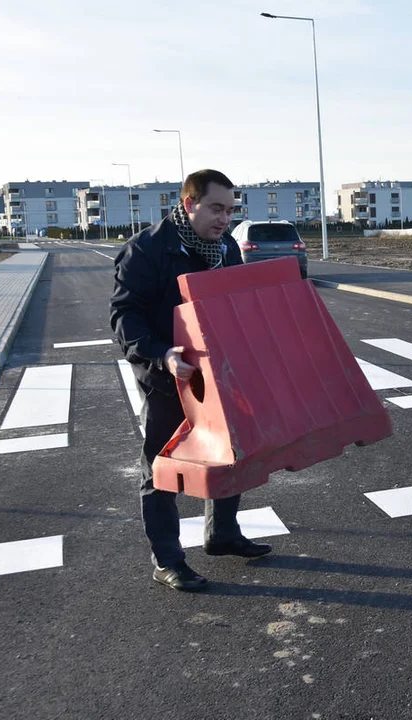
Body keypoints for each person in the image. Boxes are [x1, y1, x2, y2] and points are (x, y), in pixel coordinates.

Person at [110, 169, 272, 592]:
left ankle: (222, 534)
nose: (224, 218)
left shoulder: (225, 250)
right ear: (189, 204)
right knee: (163, 467)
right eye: (216, 208)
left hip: (219, 375)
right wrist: (163, 355)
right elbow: (125, 316)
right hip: (168, 376)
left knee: (231, 451)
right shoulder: (146, 250)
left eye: (231, 211)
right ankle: (167, 559)